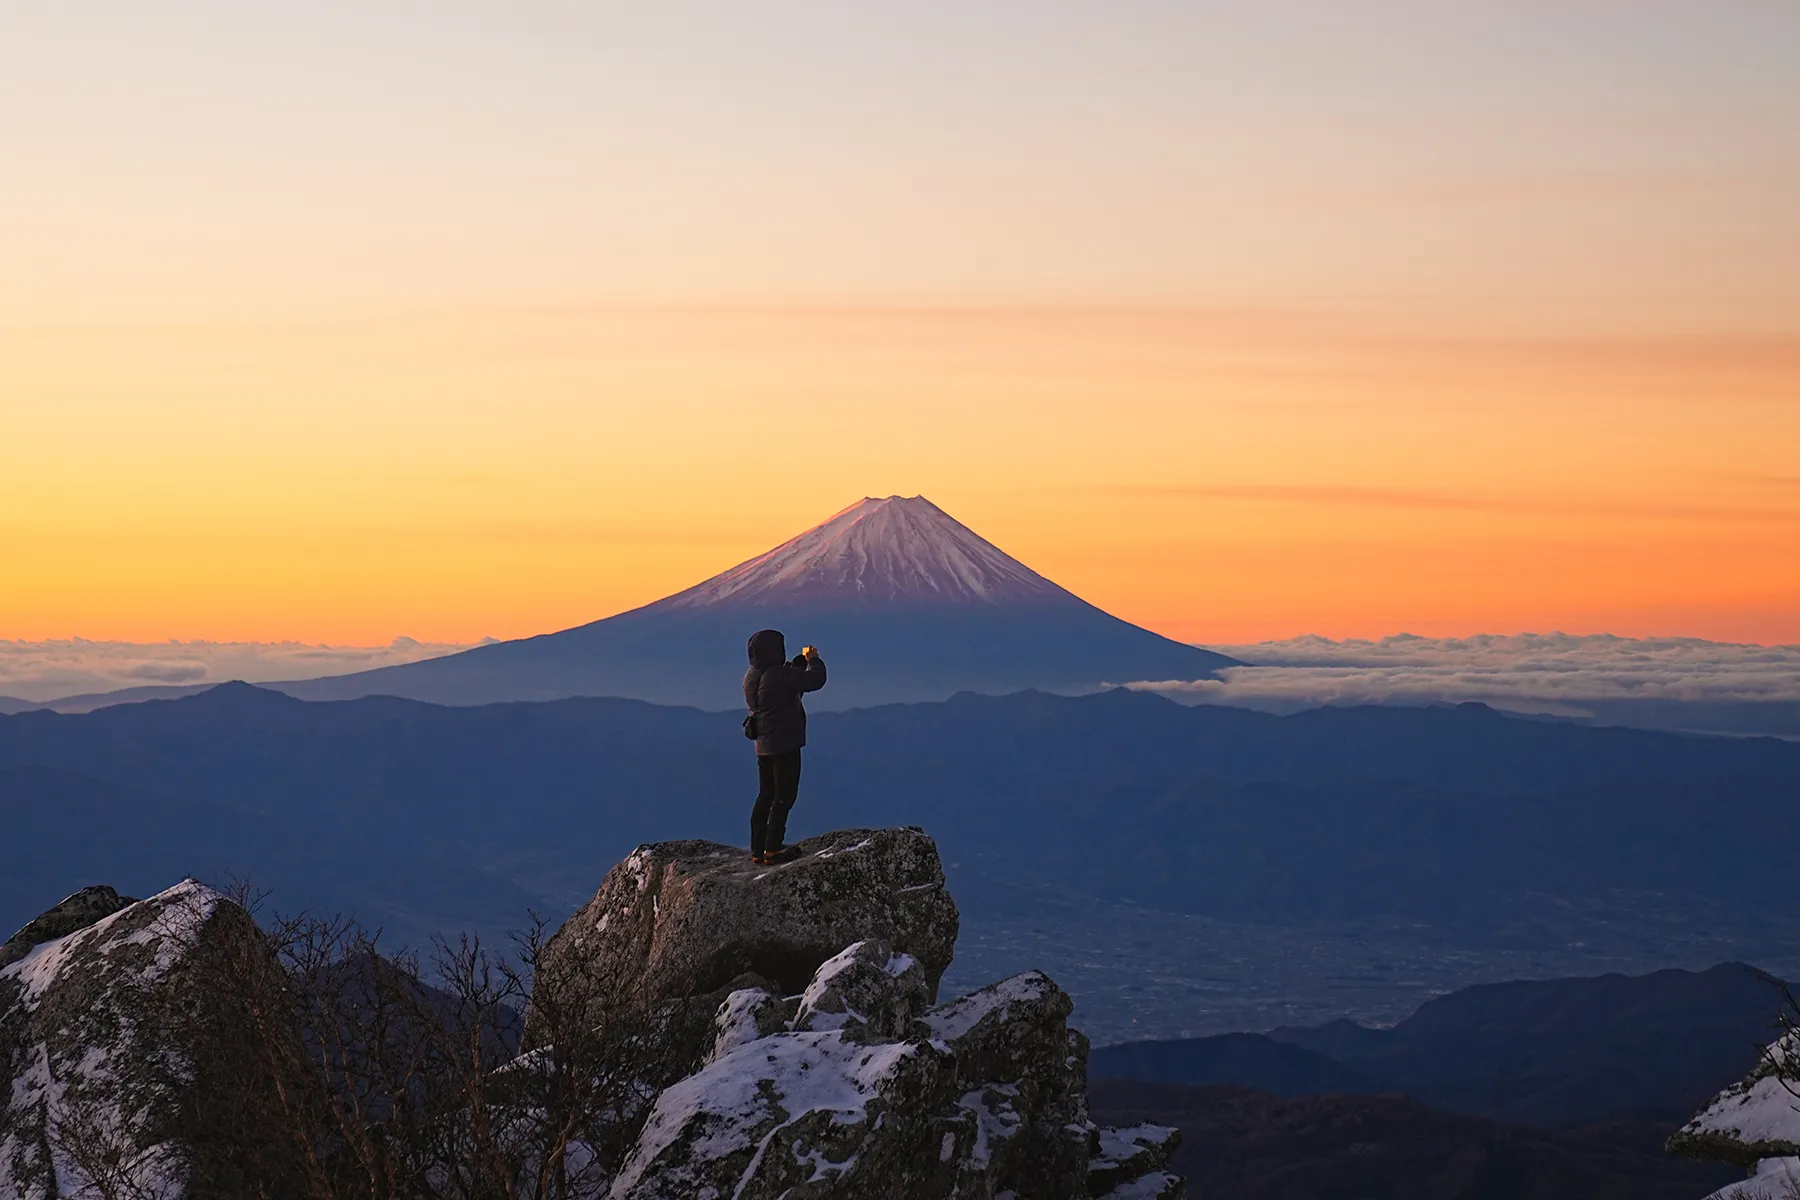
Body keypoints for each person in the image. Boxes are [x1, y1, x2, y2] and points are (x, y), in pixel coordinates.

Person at [743, 629, 827, 865]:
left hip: (764, 745)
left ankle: (758, 849)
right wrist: (814, 661)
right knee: (785, 794)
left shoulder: (751, 675)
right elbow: (814, 681)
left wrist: (798, 664)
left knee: (766, 794)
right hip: (785, 744)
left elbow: (784, 684)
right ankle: (774, 848)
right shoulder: (780, 675)